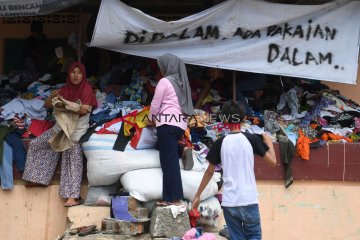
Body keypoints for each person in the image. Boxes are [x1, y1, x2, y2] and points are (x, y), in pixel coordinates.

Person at [191, 100, 277, 240]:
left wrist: (197, 196)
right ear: (244, 119)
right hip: (248, 200)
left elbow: (209, 172)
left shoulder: (220, 143)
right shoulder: (251, 139)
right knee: (254, 236)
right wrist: (269, 143)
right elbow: (273, 162)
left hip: (229, 203)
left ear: (225, 121)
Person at [22, 62, 97, 207]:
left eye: (79, 72)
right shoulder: (64, 89)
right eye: (73, 72)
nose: (76, 75)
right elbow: (48, 105)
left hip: (76, 130)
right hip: (61, 127)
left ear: (83, 75)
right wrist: (52, 97)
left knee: (72, 154)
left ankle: (73, 196)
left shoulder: (87, 89)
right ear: (69, 74)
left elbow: (84, 110)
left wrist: (68, 104)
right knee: (37, 144)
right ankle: (38, 177)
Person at [149, 53, 194, 206]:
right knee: (165, 151)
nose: (161, 69)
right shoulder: (181, 82)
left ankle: (173, 198)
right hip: (180, 124)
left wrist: (151, 118)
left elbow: (156, 103)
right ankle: (181, 149)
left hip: (166, 123)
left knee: (168, 162)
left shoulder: (165, 81)